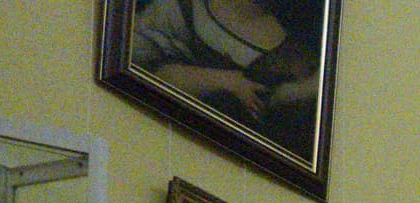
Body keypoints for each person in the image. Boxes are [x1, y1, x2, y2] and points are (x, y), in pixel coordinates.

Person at [129, 0, 324, 158]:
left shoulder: (296, 44)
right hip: (163, 141)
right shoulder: (182, 9)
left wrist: (305, 89)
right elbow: (139, 67)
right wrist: (225, 80)